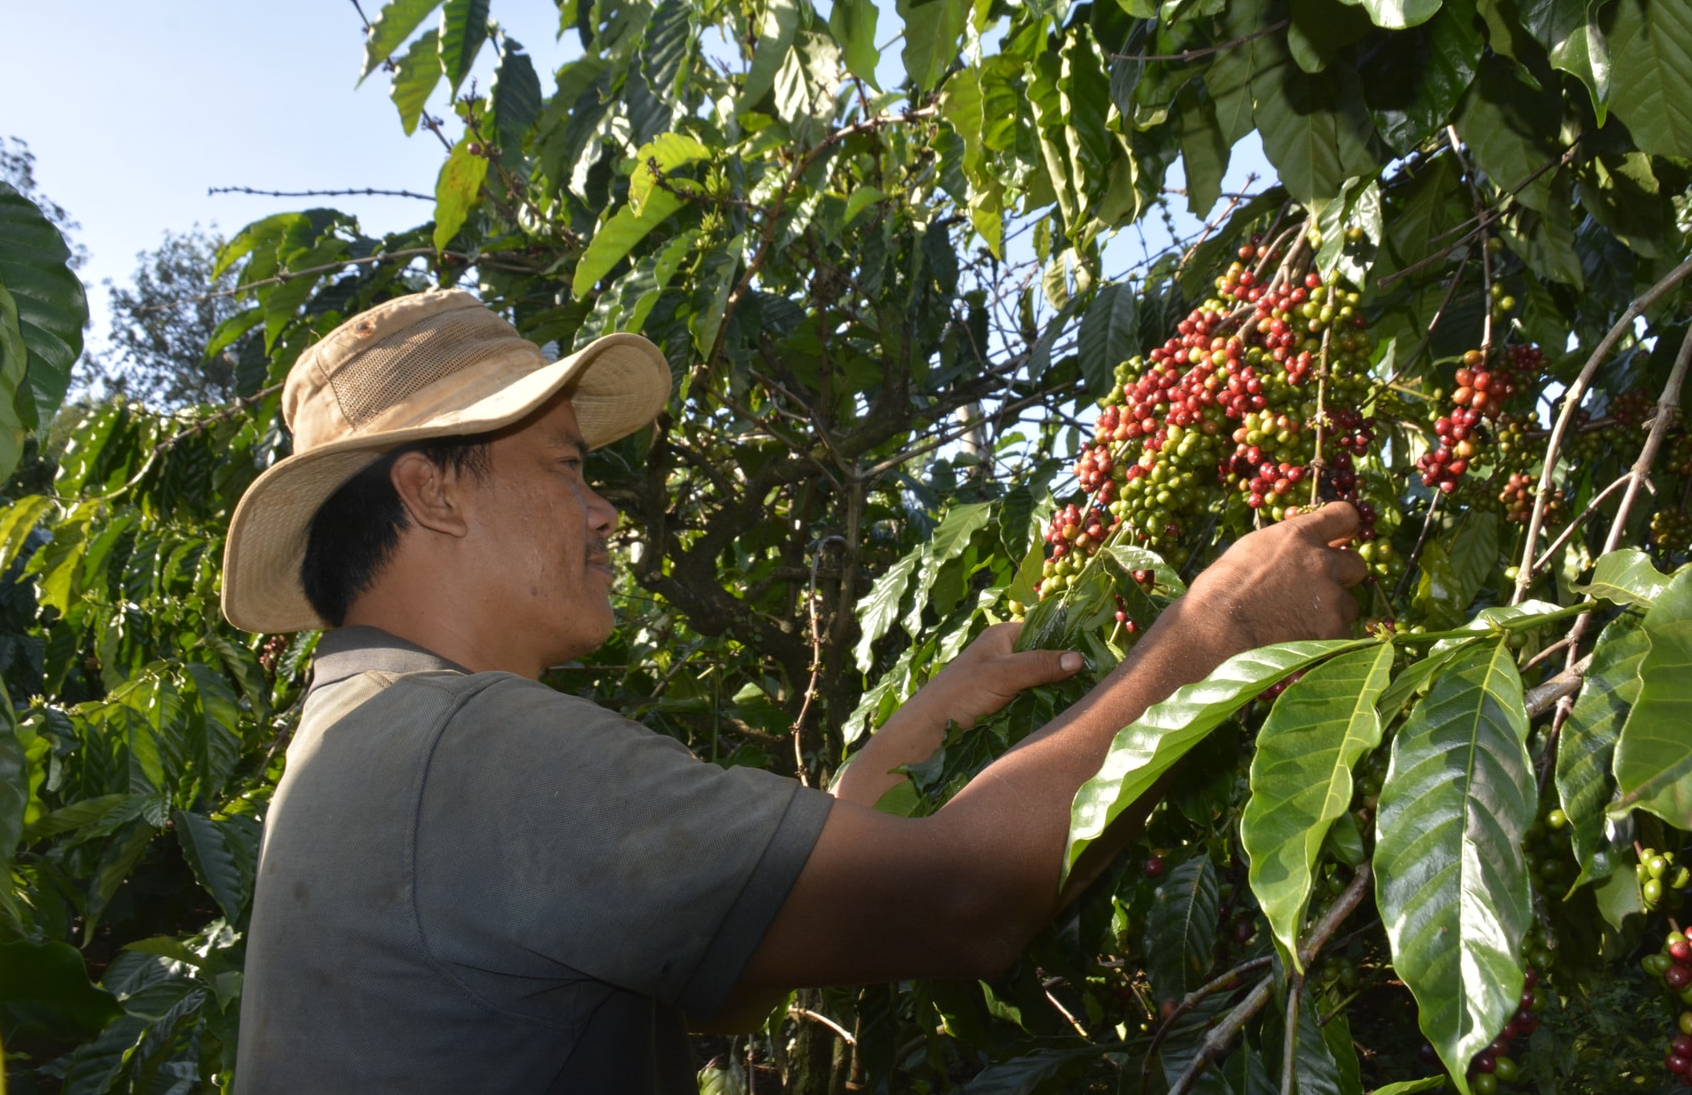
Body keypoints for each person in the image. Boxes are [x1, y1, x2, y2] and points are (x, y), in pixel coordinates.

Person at [224, 288, 1367, 1093]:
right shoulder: (472, 746)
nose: (605, 509)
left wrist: (901, 749)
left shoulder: (356, 746)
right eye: (569, 464)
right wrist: (1219, 631)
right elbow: (971, 901)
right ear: (432, 493)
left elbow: (724, 978)